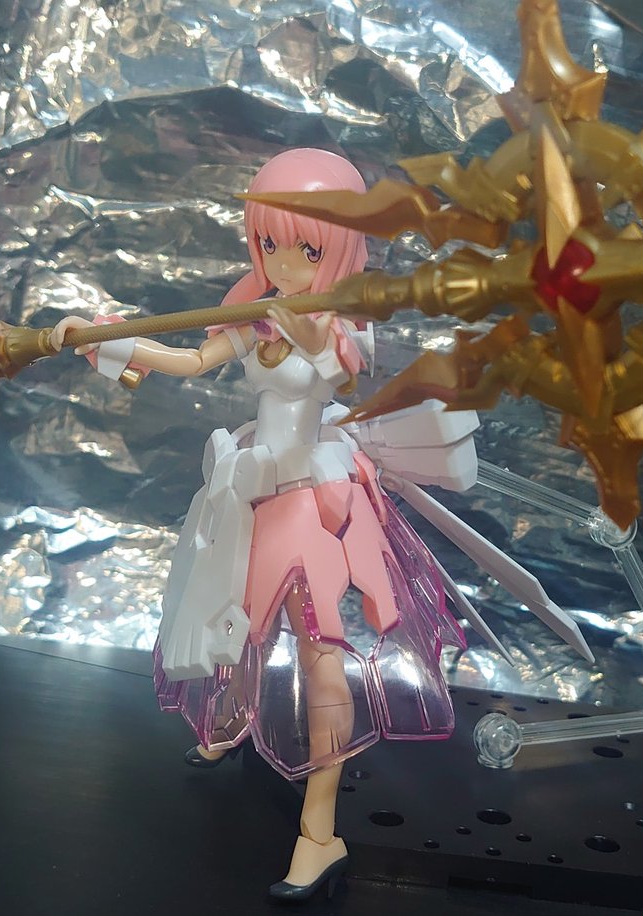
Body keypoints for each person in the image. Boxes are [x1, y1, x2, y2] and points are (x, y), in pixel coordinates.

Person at [50, 148, 466, 900]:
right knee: (236, 617)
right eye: (269, 243)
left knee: (319, 651)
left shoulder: (342, 322)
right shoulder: (260, 310)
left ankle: (320, 832)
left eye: (306, 248)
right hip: (255, 491)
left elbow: (340, 367)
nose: (284, 263)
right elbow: (190, 360)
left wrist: (306, 332)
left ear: (339, 247)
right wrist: (106, 342)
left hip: (311, 497)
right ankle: (232, 723)